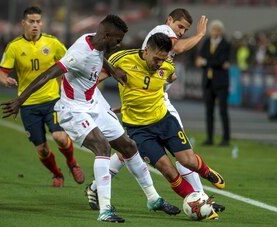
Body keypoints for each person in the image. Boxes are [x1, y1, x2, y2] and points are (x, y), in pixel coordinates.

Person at [0, 14, 180, 223]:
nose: (119, 44)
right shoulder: (79, 53)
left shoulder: (94, 41)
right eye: (117, 40)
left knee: (129, 146)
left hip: (95, 102)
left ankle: (153, 199)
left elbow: (99, 58)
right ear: (106, 35)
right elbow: (48, 73)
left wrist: (113, 71)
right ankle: (105, 210)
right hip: (73, 109)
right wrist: (20, 100)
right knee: (102, 147)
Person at [86, 8, 225, 214]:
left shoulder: (166, 65)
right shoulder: (134, 51)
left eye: (184, 30)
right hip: (139, 127)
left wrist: (130, 102)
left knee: (180, 159)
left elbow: (160, 80)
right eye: (179, 27)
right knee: (161, 166)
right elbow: (94, 80)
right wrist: (95, 107)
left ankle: (203, 181)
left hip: (162, 114)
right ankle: (198, 201)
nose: (180, 33)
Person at [0, 6, 84, 187]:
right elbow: (2, 73)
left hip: (52, 101)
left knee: (60, 137)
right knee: (42, 149)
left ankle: (72, 163)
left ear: (42, 23)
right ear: (23, 23)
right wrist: (5, 80)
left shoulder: (52, 43)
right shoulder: (14, 47)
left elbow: (70, 62)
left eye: (38, 21)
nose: (35, 25)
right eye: (31, 21)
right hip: (28, 105)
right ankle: (56, 173)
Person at [195, 19, 231, 146]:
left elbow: (222, 61)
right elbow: (200, 58)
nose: (214, 32)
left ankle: (226, 139)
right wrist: (214, 62)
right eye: (212, 30)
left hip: (221, 83)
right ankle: (209, 138)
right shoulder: (206, 42)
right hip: (208, 82)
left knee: (223, 111)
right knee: (209, 112)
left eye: (216, 30)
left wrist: (205, 62)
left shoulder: (226, 44)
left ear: (221, 31)